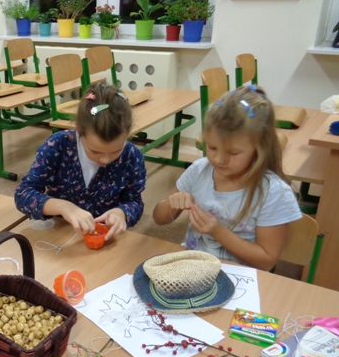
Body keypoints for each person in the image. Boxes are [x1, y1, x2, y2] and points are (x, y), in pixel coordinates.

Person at [152, 85, 301, 270]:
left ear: (259, 148)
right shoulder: (199, 170)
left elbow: (266, 260)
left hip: (242, 275)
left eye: (233, 152)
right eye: (212, 147)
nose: (219, 159)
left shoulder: (273, 192)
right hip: (194, 266)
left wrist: (217, 231)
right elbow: (159, 218)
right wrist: (171, 204)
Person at [15, 82, 146, 240]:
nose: (105, 160)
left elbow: (135, 202)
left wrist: (122, 213)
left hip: (103, 237)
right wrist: (63, 207)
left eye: (115, 151)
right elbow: (23, 194)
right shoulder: (58, 145)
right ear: (78, 129)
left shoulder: (132, 156)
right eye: (95, 151)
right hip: (60, 234)